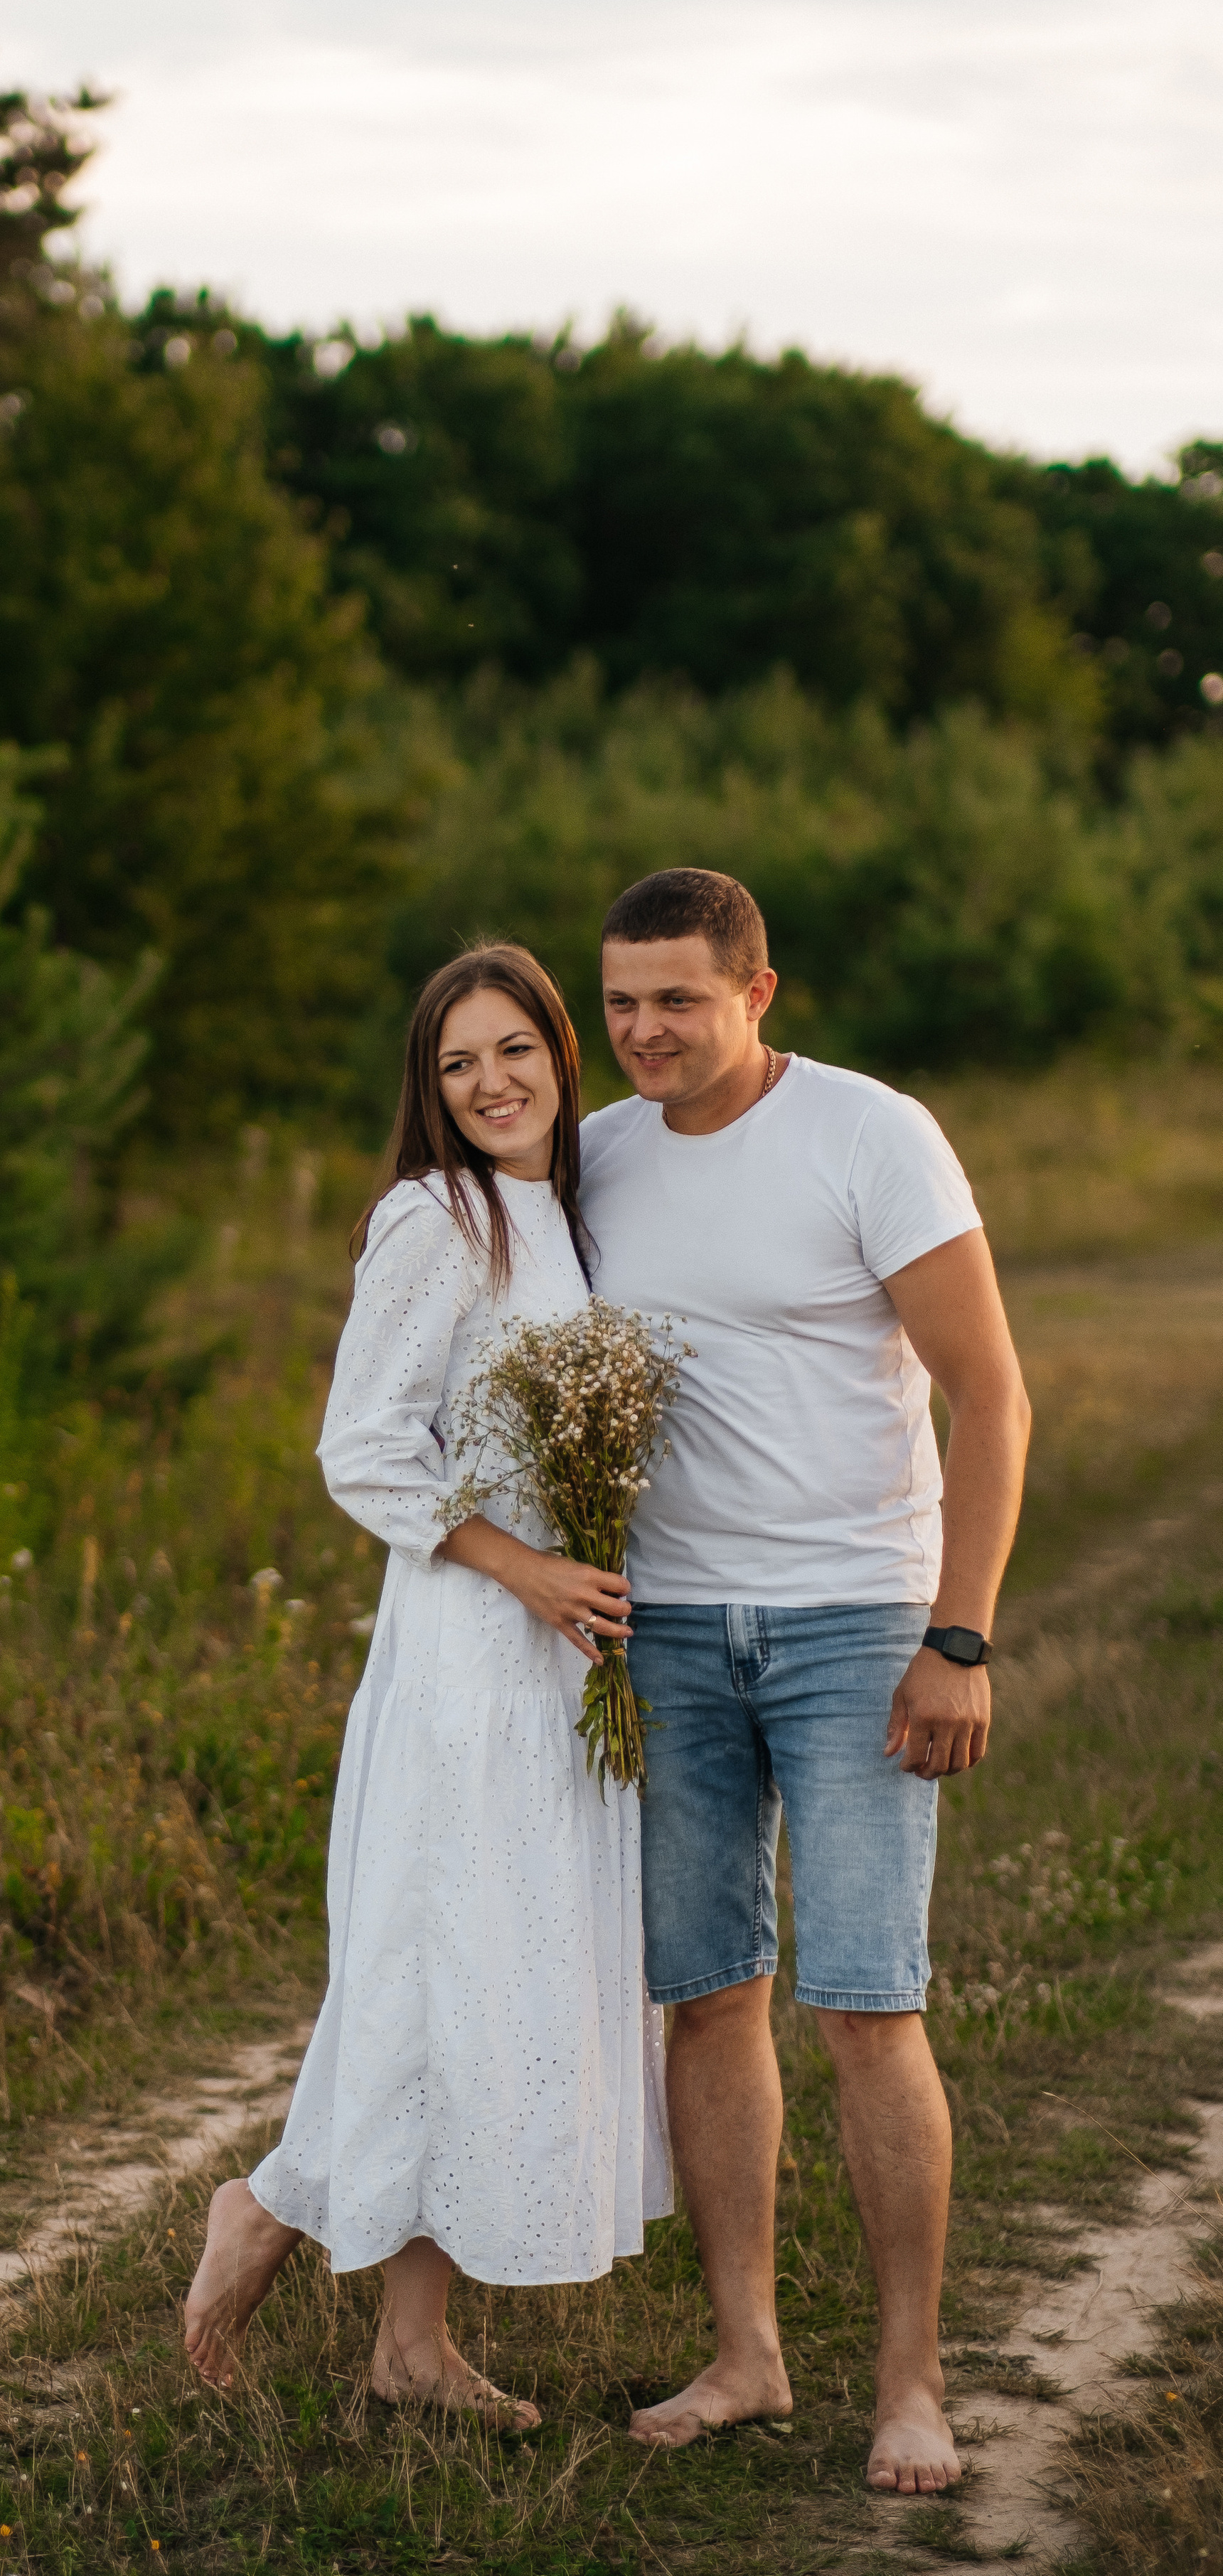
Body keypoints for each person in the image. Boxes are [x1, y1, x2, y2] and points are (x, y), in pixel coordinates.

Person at [580, 867, 1030, 2498]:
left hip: (854, 1623)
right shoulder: (594, 1156)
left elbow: (989, 1395)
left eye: (676, 999)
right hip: (669, 1635)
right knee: (705, 1997)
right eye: (619, 1002)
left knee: (862, 2003)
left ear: (755, 991)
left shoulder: (869, 1135)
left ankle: (909, 2384)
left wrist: (955, 1635)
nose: (642, 1030)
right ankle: (744, 2355)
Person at [183, 942, 671, 2424]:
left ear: (559, 1055)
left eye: (513, 1050)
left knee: (499, 1978)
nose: (489, 1083)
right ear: (430, 1088)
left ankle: (410, 2345)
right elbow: (363, 1449)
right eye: (457, 1064)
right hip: (470, 1647)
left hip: (563, 1657)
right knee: (439, 1962)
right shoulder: (434, 1218)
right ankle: (269, 2205)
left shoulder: (567, 1215)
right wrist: (527, 1572)